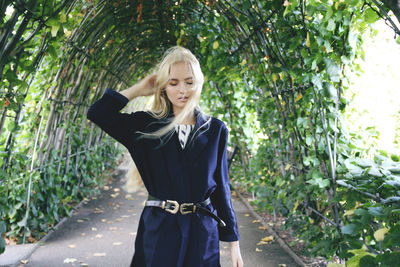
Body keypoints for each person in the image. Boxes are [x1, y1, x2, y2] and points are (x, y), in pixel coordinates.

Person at [87, 46, 243, 267]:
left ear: (198, 83)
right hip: (160, 229)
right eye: (173, 83)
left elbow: (221, 189)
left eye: (189, 82)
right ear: (163, 88)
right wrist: (138, 89)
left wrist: (233, 242)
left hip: (202, 232)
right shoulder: (145, 126)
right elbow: (98, 113)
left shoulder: (215, 129)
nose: (183, 90)